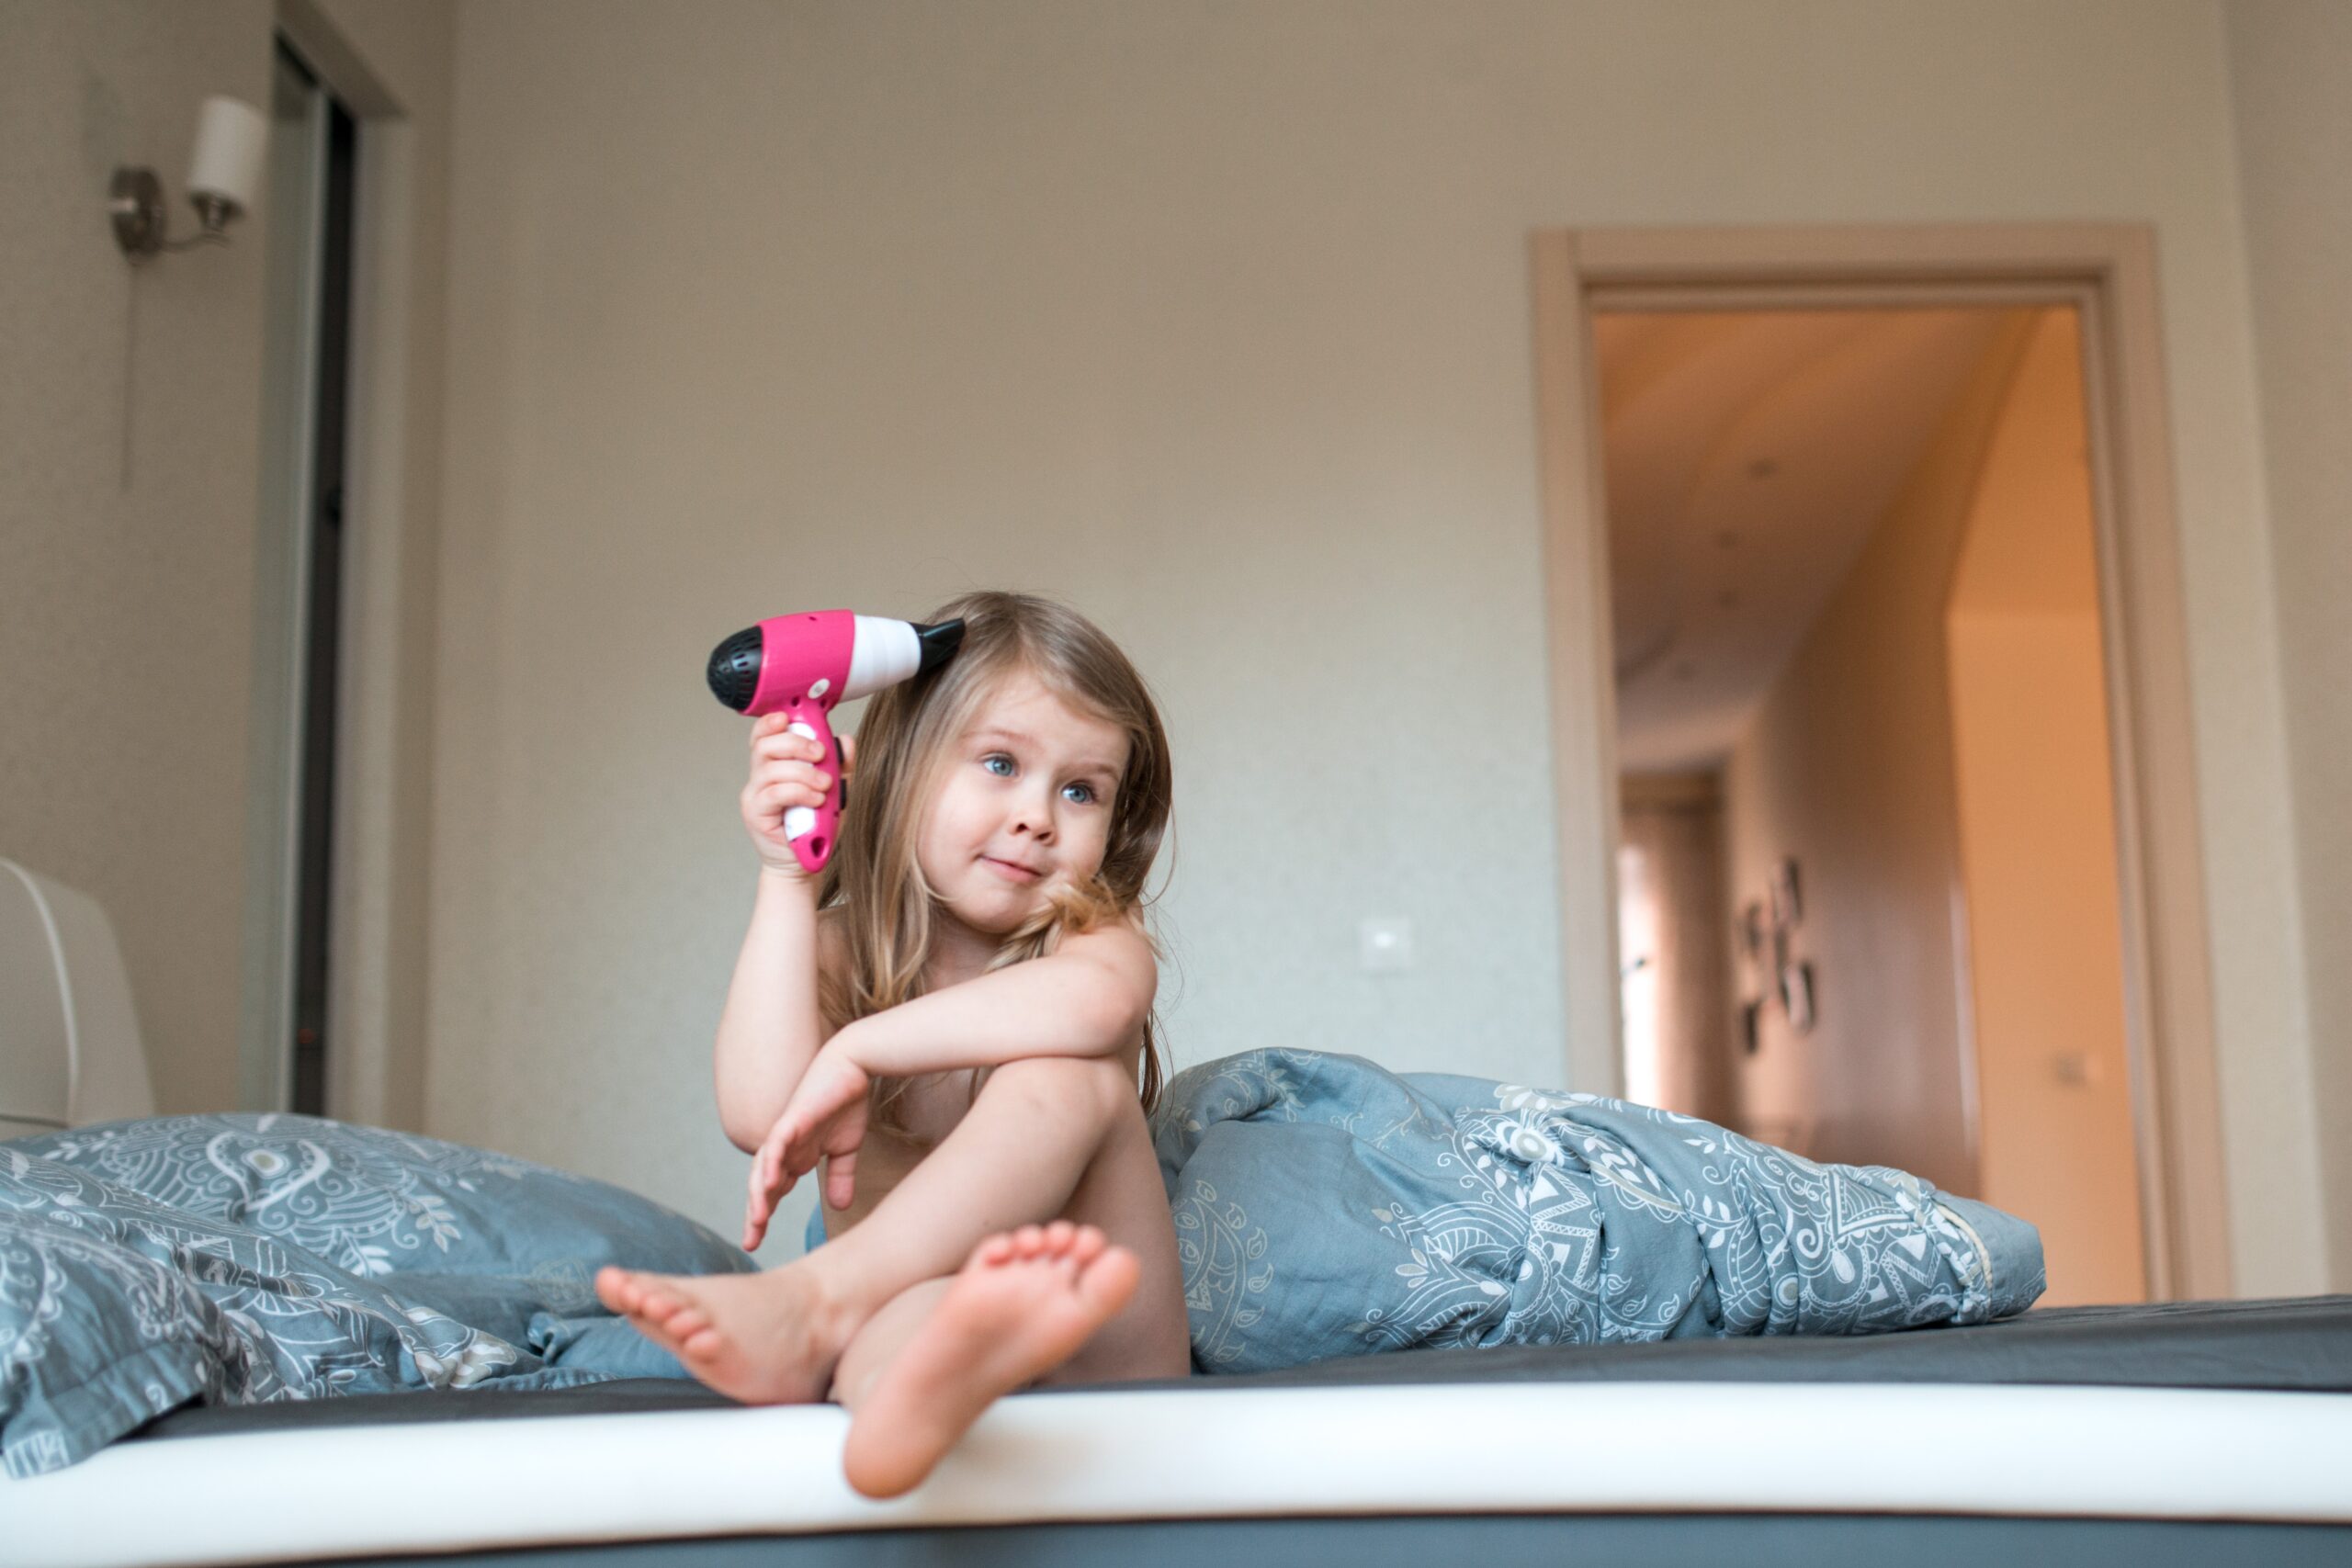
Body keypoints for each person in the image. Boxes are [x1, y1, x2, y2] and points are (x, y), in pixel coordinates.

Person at [595, 590, 1192, 1498]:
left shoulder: (1092, 947)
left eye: (1080, 790)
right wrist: (786, 885)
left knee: (1073, 1082)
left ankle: (816, 1300)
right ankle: (898, 1411)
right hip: (929, 1313)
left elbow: (1096, 1014)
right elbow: (762, 1114)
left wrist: (858, 1050)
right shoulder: (833, 951)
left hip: (1102, 1342)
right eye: (999, 762)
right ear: (901, 768)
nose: (1037, 814)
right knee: (910, 1328)